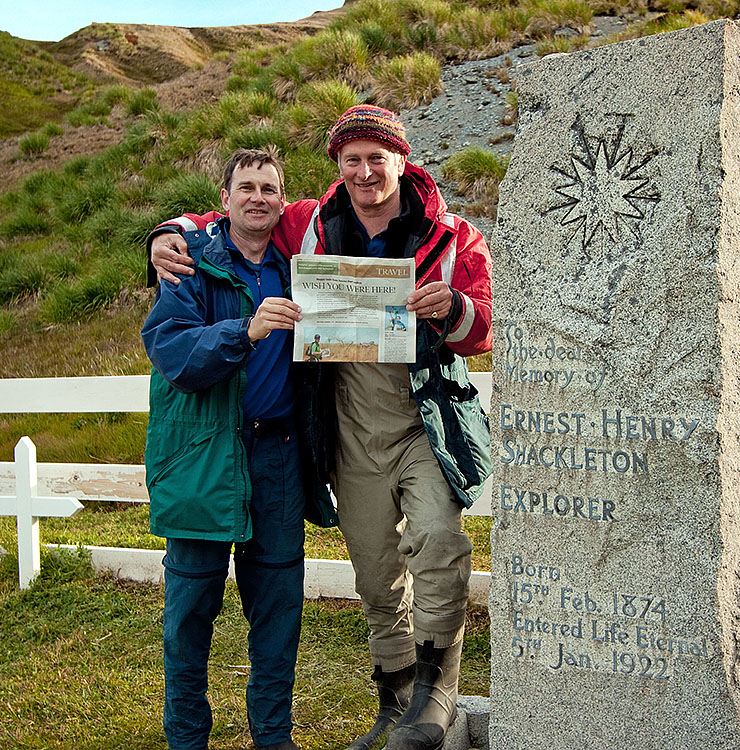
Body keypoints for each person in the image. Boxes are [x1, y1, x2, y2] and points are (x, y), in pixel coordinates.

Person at [149, 105, 492, 750]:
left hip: (424, 414)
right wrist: (166, 233)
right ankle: (394, 695)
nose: (365, 171)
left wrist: (455, 309)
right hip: (351, 420)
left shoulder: (453, 237)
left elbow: (485, 329)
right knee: (371, 564)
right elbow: (236, 216)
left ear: (402, 161)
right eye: (352, 159)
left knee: (439, 539)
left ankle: (435, 693)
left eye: (377, 158)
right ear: (338, 165)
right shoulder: (309, 222)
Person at [142, 147, 336, 750]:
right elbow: (172, 353)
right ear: (222, 200)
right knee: (191, 611)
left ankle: (273, 736)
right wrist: (245, 330)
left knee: (278, 607)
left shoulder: (297, 268)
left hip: (277, 456)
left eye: (269, 189)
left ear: (283, 203)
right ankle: (186, 738)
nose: (258, 197)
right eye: (246, 187)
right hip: (204, 456)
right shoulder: (189, 266)